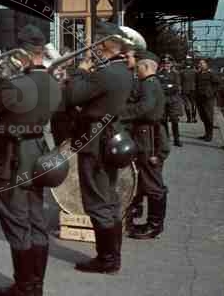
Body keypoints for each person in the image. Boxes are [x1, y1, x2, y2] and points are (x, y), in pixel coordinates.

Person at [0, 25, 61, 296]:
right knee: (37, 218)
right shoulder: (52, 82)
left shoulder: (12, 83)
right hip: (38, 151)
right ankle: (36, 284)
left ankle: (24, 286)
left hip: (12, 156)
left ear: (22, 52)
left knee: (16, 220)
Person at [63, 21, 133, 274]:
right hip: (109, 137)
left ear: (103, 43)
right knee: (109, 199)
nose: (91, 47)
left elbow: (71, 97)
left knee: (97, 201)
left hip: (95, 141)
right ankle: (112, 256)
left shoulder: (105, 73)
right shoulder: (124, 71)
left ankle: (107, 260)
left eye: (95, 41)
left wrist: (81, 70)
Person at [120, 51, 170, 239]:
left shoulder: (149, 84)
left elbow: (145, 107)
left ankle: (154, 225)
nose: (137, 69)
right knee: (144, 178)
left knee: (152, 181)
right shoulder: (148, 83)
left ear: (147, 67)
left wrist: (121, 114)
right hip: (146, 135)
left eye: (139, 66)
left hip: (149, 138)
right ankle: (143, 218)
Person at [157, 55, 183, 147]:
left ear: (171, 64)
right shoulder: (158, 73)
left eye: (168, 63)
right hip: (163, 100)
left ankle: (177, 139)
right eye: (164, 63)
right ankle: (166, 138)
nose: (166, 65)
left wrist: (166, 87)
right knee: (163, 121)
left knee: (174, 120)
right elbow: (158, 87)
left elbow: (176, 87)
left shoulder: (175, 74)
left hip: (173, 100)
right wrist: (168, 86)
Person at [195, 59, 220, 142]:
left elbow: (217, 84)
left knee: (209, 117)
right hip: (199, 98)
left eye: (202, 63)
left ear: (206, 65)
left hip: (208, 99)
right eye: (200, 63)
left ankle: (209, 135)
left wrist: (211, 93)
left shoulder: (211, 74)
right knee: (203, 117)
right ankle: (206, 134)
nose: (200, 65)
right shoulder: (198, 74)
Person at [180, 56, 197, 123]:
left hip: (185, 89)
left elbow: (180, 81)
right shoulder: (195, 71)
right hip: (193, 89)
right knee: (193, 104)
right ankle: (194, 118)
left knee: (186, 104)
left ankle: (189, 119)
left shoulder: (182, 72)